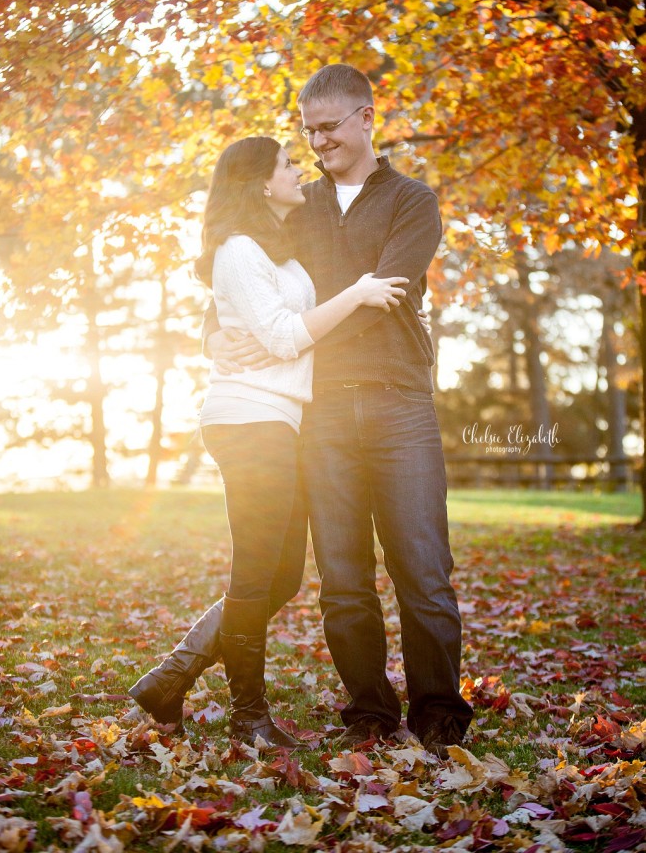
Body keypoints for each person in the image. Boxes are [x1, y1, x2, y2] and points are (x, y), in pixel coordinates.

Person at [209, 65, 473, 757]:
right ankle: (368, 710)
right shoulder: (299, 208)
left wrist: (292, 332)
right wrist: (224, 331)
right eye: (308, 132)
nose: (318, 141)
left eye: (329, 127)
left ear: (365, 118)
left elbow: (387, 284)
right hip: (321, 413)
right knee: (343, 579)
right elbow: (260, 288)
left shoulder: (415, 201)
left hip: (400, 404)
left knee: (422, 566)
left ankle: (439, 709)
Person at [128, 135, 407, 747]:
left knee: (279, 578)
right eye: (287, 163)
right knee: (257, 573)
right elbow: (282, 337)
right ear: (259, 182)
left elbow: (269, 325)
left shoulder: (275, 247)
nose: (298, 168)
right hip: (249, 422)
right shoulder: (238, 249)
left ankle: (169, 680)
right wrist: (358, 292)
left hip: (279, 421)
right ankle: (248, 717)